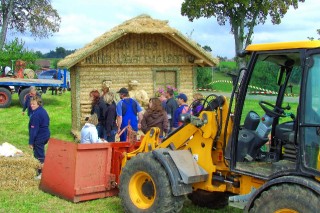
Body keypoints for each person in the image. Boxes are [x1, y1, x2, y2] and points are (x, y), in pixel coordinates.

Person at [28, 96, 50, 179]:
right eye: (31, 104)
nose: (32, 106)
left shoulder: (36, 115)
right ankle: (39, 171)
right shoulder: (43, 111)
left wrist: (31, 142)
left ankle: (42, 174)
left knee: (39, 155)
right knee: (39, 153)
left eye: (33, 104)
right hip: (46, 134)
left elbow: (34, 130)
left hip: (40, 136)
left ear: (38, 103)